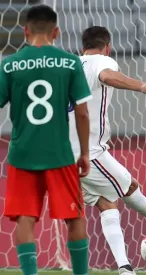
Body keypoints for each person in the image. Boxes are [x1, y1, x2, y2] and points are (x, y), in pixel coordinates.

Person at [0, 4, 92, 275]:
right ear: (56, 31)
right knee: (75, 216)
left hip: (22, 155)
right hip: (59, 155)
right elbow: (82, 112)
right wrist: (85, 153)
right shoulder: (70, 62)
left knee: (25, 218)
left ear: (25, 31)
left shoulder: (11, 64)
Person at [68, 26, 146, 275]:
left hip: (64, 155)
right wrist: (142, 86)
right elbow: (107, 76)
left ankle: (125, 268)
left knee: (106, 201)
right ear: (108, 46)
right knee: (130, 187)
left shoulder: (71, 65)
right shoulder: (102, 60)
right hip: (90, 153)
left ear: (82, 46)